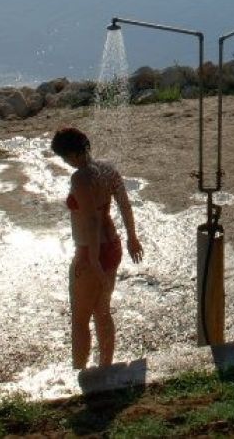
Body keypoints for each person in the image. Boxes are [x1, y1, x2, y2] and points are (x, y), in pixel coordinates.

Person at [53, 126, 143, 371]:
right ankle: (106, 368)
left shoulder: (80, 177)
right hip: (112, 246)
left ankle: (79, 372)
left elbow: (92, 221)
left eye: (64, 158)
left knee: (80, 320)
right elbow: (125, 205)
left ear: (71, 155)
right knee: (102, 311)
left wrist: (92, 261)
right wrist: (132, 238)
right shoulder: (108, 169)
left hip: (90, 251)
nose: (66, 163)